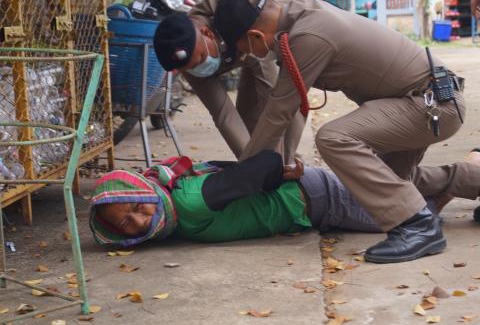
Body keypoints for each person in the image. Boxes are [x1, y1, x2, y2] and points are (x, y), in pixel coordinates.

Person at [211, 0, 480, 263]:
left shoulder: (308, 36)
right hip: (424, 99)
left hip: (432, 104)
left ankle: (417, 225)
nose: (250, 58)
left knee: (334, 138)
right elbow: (286, 109)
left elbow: (278, 112)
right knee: (383, 180)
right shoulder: (302, 13)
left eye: (245, 51)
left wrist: (236, 179)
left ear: (255, 37)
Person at [89, 149, 480, 250]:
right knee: (410, 192)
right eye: (126, 224)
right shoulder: (176, 206)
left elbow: (259, 166)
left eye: (138, 207)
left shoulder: (189, 202)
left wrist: (281, 170)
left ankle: (470, 168)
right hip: (316, 204)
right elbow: (228, 169)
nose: (141, 221)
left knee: (413, 215)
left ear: (145, 191)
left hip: (319, 197)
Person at [153, 0, 315, 164]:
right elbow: (223, 115)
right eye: (188, 69)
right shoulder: (189, 58)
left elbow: (275, 103)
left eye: (198, 60)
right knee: (248, 122)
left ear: (207, 33)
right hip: (243, 52)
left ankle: (290, 164)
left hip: (299, 15)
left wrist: (280, 162)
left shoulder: (239, 19)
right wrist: (248, 166)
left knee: (284, 101)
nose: (196, 69)